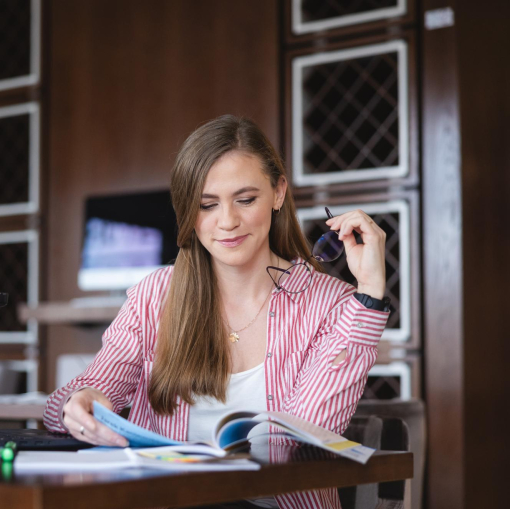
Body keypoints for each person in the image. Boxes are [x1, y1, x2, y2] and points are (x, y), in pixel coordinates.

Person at [43, 115, 390, 509]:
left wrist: (370, 295)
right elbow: (62, 407)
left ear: (278, 193)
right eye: (207, 205)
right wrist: (81, 402)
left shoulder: (331, 304)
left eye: (245, 200)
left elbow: (307, 443)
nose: (227, 221)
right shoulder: (155, 295)